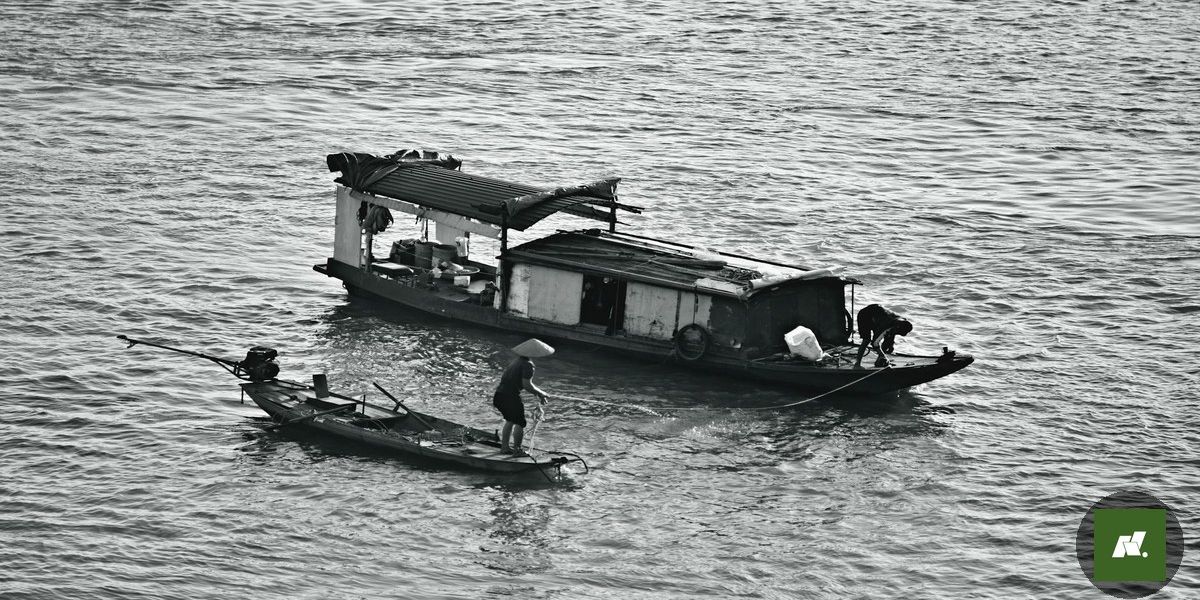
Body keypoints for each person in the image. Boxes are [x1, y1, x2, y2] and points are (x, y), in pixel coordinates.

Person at [493, 338, 554, 456]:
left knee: (510, 420)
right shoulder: (528, 365)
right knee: (520, 422)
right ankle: (517, 450)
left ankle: (505, 448)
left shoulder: (516, 361)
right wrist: (541, 393)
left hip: (499, 395)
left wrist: (539, 393)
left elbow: (521, 382)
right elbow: (527, 385)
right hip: (510, 397)